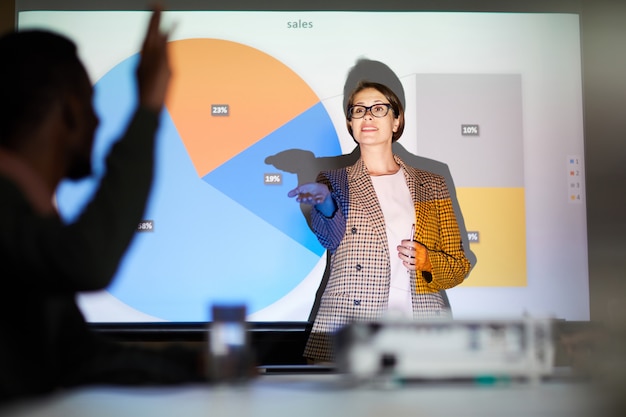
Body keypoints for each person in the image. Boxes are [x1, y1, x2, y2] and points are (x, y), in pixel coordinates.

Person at [0, 9, 205, 403]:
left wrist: (198, 365)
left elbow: (78, 356)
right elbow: (87, 260)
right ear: (70, 110)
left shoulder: (24, 219)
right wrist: (146, 110)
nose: (97, 121)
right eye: (92, 104)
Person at [288, 81, 472, 363]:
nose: (368, 116)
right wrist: (325, 203)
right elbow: (330, 238)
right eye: (359, 110)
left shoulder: (431, 183)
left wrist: (427, 261)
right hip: (349, 325)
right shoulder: (334, 181)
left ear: (396, 120)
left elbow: (458, 266)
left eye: (378, 108)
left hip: (419, 328)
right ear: (350, 123)